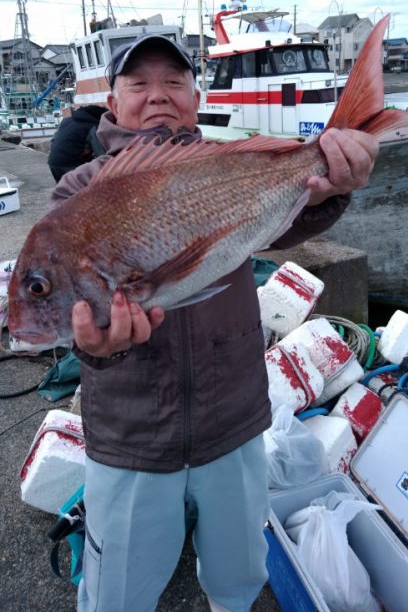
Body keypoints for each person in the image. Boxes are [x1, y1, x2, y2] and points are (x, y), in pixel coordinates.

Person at [50, 35, 379, 612]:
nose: (158, 96)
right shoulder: (80, 191)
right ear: (112, 101)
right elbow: (71, 305)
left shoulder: (229, 162)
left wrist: (333, 189)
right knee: (115, 597)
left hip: (234, 424)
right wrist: (100, 347)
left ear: (197, 98)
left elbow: (280, 225)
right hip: (132, 440)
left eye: (174, 82)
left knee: (238, 579)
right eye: (139, 84)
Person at [47, 104, 107, 181]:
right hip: (69, 164)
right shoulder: (92, 126)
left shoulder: (67, 120)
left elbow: (54, 139)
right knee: (84, 190)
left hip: (53, 161)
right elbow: (101, 153)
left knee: (66, 190)